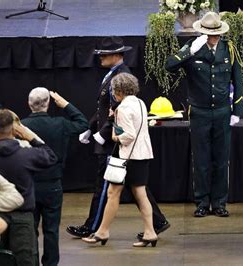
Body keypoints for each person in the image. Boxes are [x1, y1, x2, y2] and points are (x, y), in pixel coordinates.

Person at [67, 36, 170, 239]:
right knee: (136, 186)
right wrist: (90, 127)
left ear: (116, 55)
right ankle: (156, 222)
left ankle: (94, 227)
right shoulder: (115, 74)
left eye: (104, 55)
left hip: (115, 143)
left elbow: (116, 112)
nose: (100, 58)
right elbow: (104, 108)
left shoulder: (120, 79)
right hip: (120, 143)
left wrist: (103, 135)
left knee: (106, 186)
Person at [166, 11, 243, 217]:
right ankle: (202, 202)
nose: (213, 37)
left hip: (221, 112)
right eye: (210, 34)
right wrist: (189, 51)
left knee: (221, 159)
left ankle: (219, 203)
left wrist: (237, 110)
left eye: (216, 34)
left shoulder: (229, 49)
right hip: (199, 112)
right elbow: (169, 66)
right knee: (201, 160)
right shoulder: (193, 47)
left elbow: (239, 80)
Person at [82, 73, 158, 247]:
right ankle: (150, 232)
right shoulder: (140, 102)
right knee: (140, 194)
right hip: (142, 155)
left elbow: (128, 136)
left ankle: (102, 232)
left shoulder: (123, 108)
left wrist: (115, 136)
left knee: (113, 193)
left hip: (126, 157)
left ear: (118, 91)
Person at [0, 109, 57, 266]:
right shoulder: (27, 154)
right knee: (25, 260)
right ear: (14, 129)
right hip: (23, 216)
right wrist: (32, 138)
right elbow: (51, 157)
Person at [21, 87, 88, 266]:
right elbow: (83, 123)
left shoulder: (21, 126)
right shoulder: (60, 123)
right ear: (49, 104)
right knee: (51, 230)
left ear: (29, 104)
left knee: (30, 229)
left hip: (30, 184)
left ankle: (32, 262)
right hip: (53, 184)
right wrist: (65, 104)